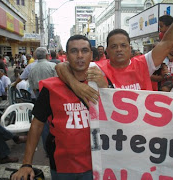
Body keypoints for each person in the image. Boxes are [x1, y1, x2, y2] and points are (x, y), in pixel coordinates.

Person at [56, 0, 173, 106]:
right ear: (107, 51)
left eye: (123, 45)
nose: (119, 49)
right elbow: (61, 67)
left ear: (130, 48)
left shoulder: (144, 63)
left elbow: (167, 43)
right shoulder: (98, 68)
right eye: (114, 46)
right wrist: (76, 85)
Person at [11, 35, 106, 180]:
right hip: (62, 166)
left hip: (97, 164)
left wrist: (105, 87)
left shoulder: (102, 83)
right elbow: (36, 125)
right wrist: (26, 164)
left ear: (91, 55)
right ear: (66, 56)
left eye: (84, 50)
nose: (80, 55)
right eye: (74, 51)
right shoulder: (51, 88)